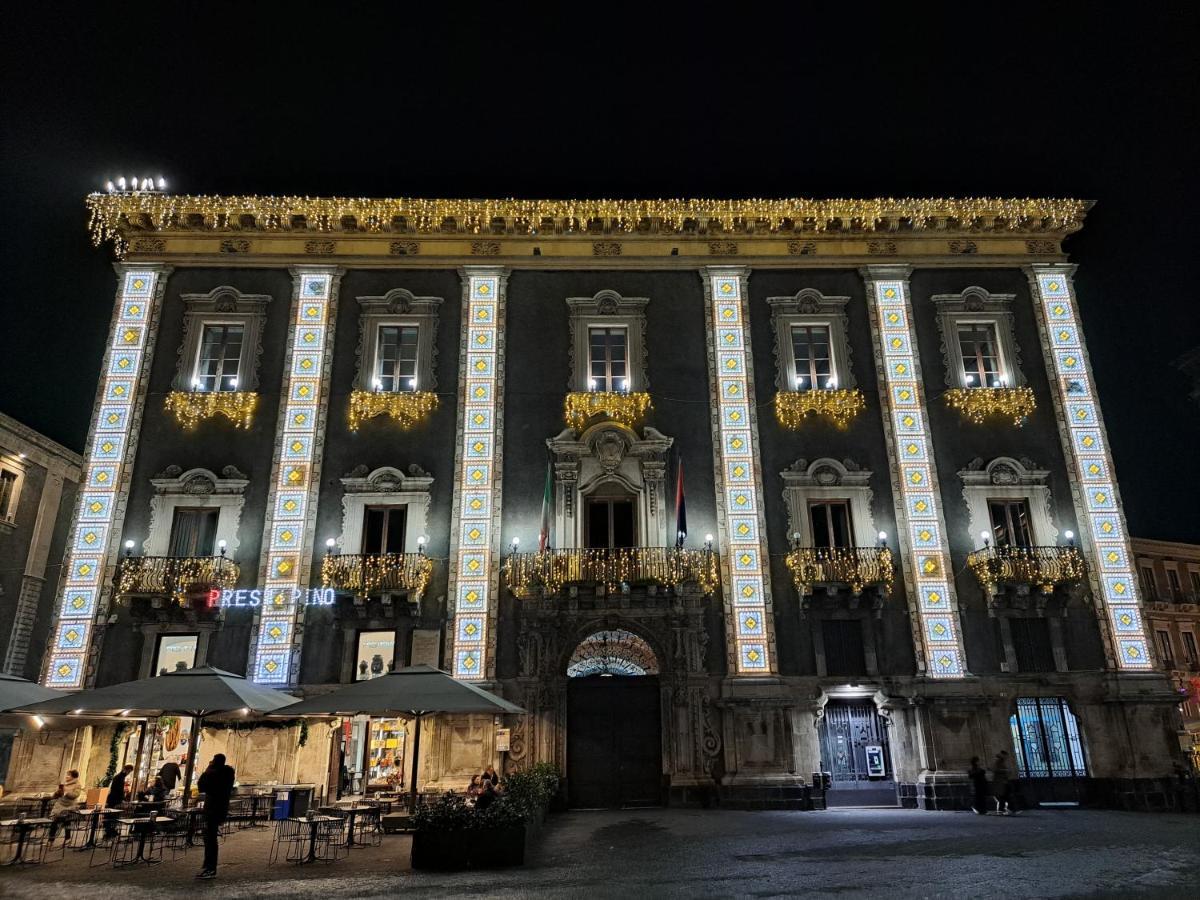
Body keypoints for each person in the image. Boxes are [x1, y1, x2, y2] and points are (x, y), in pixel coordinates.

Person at [196, 753, 236, 880]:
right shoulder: (228, 774)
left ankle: (210, 868)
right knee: (210, 839)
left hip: (212, 810)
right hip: (220, 810)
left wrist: (208, 769)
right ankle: (208, 866)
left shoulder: (214, 774)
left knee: (210, 839)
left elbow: (201, 785)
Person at [48, 770, 82, 843]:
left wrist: (66, 792)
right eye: (67, 774)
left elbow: (75, 795)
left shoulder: (77, 785)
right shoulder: (64, 784)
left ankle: (67, 838)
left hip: (69, 806)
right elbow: (57, 795)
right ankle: (50, 840)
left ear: (73, 776)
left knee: (67, 822)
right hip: (60, 805)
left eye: (69, 775)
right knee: (54, 821)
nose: (66, 776)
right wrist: (57, 792)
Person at [992, 750, 1013, 815]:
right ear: (1003, 755)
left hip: (1003, 782)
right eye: (1005, 756)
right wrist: (1005, 770)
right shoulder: (998, 761)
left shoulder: (1002, 761)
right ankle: (1005, 809)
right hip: (1000, 782)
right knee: (1003, 796)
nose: (1006, 757)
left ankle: (1006, 809)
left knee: (1004, 796)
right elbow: (995, 769)